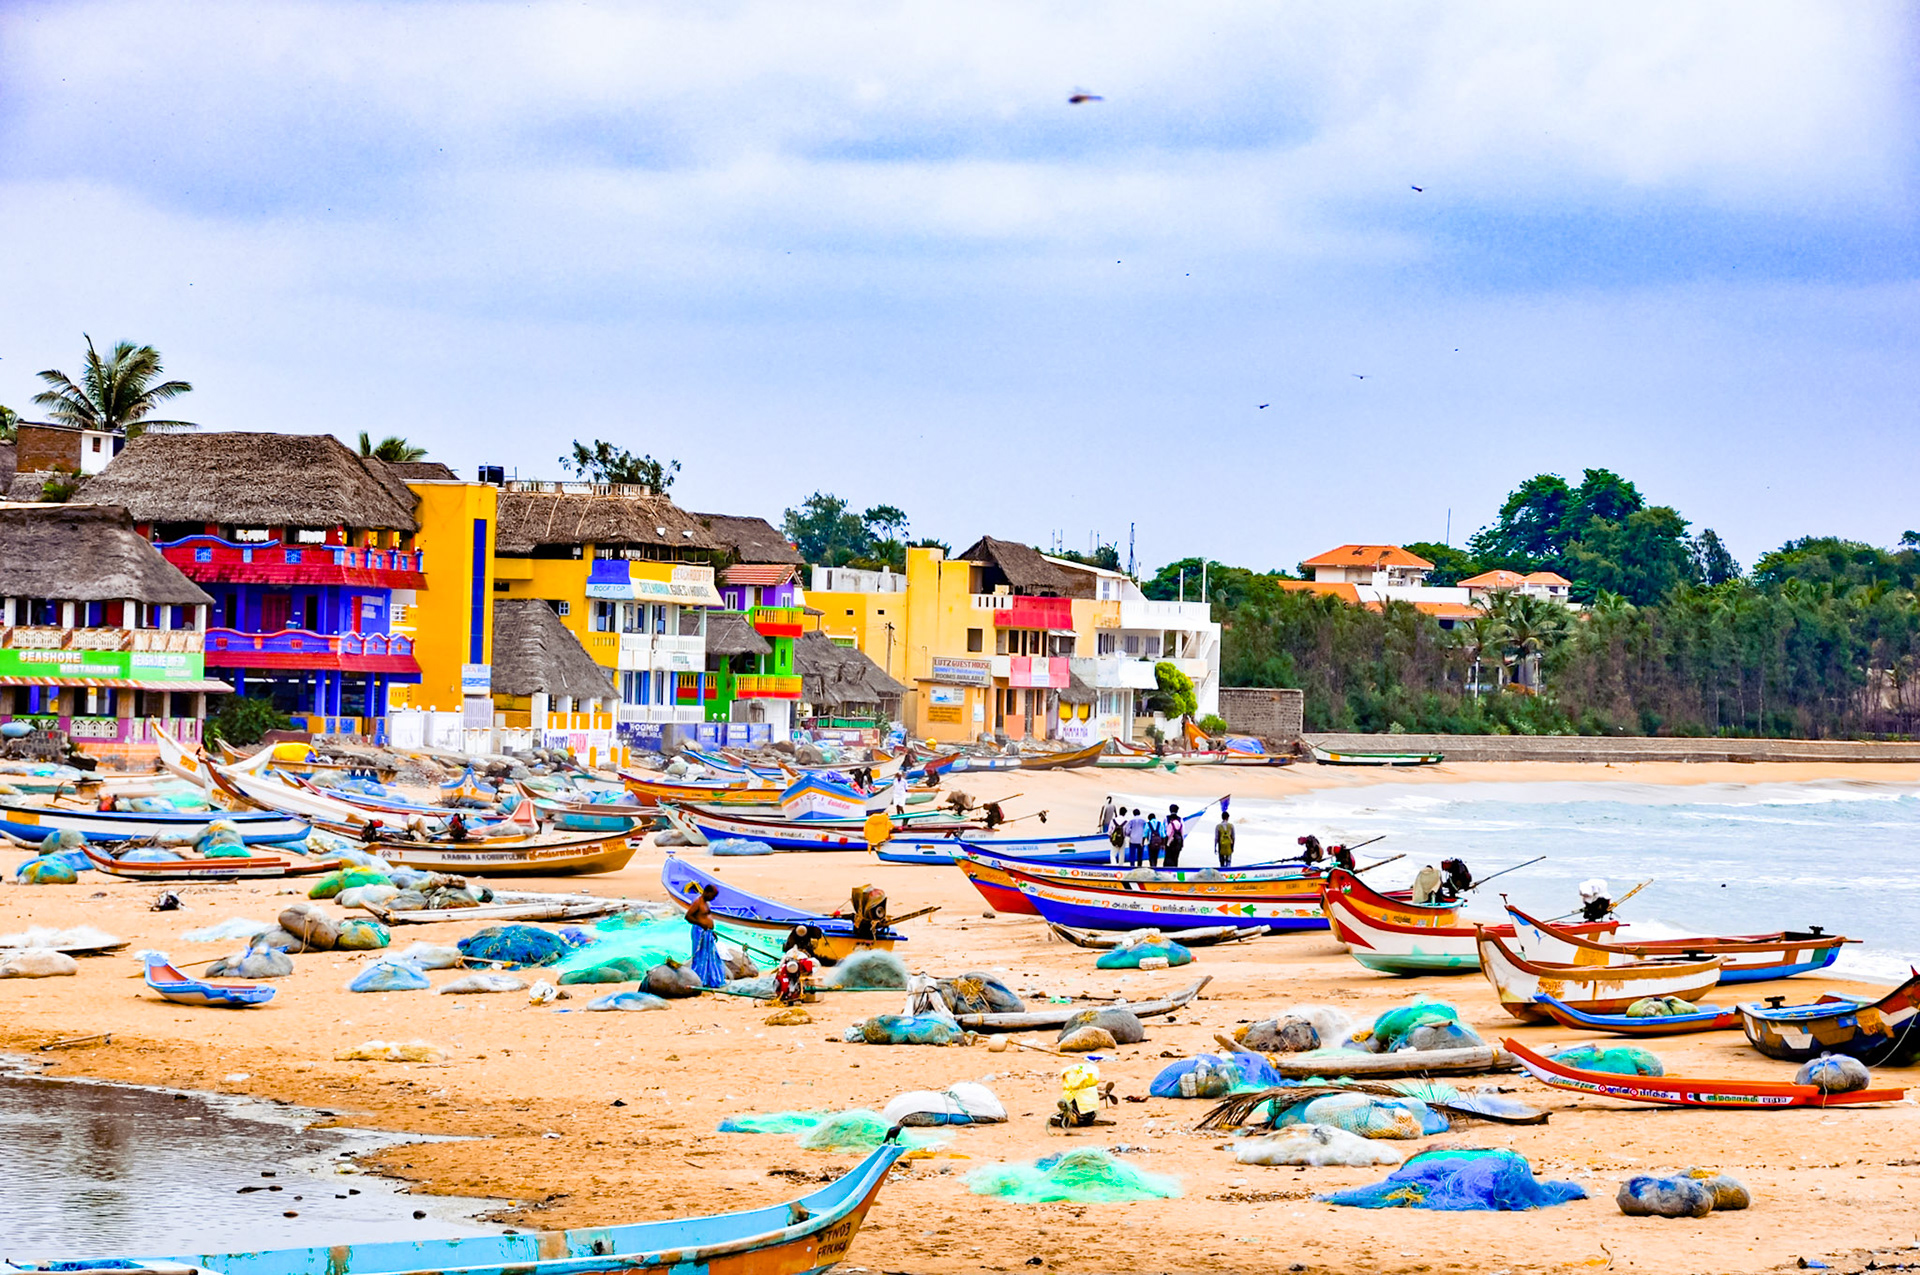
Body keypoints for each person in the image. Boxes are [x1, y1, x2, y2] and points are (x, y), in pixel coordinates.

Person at [681, 884, 727, 988]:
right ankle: (700, 980)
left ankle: (710, 980)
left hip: (707, 932)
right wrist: (702, 925)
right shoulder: (698, 902)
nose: (713, 898)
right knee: (700, 957)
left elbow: (706, 917)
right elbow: (688, 916)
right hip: (700, 932)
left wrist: (712, 931)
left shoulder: (706, 903)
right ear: (707, 892)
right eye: (713, 895)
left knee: (711, 956)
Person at [1164, 804, 1185, 869]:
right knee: (1175, 858)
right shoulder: (1180, 819)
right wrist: (1182, 843)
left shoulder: (1166, 818)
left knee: (1168, 857)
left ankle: (1167, 872)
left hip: (1169, 841)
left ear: (1170, 810)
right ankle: (1175, 872)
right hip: (1178, 841)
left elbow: (1165, 830)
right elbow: (1182, 832)